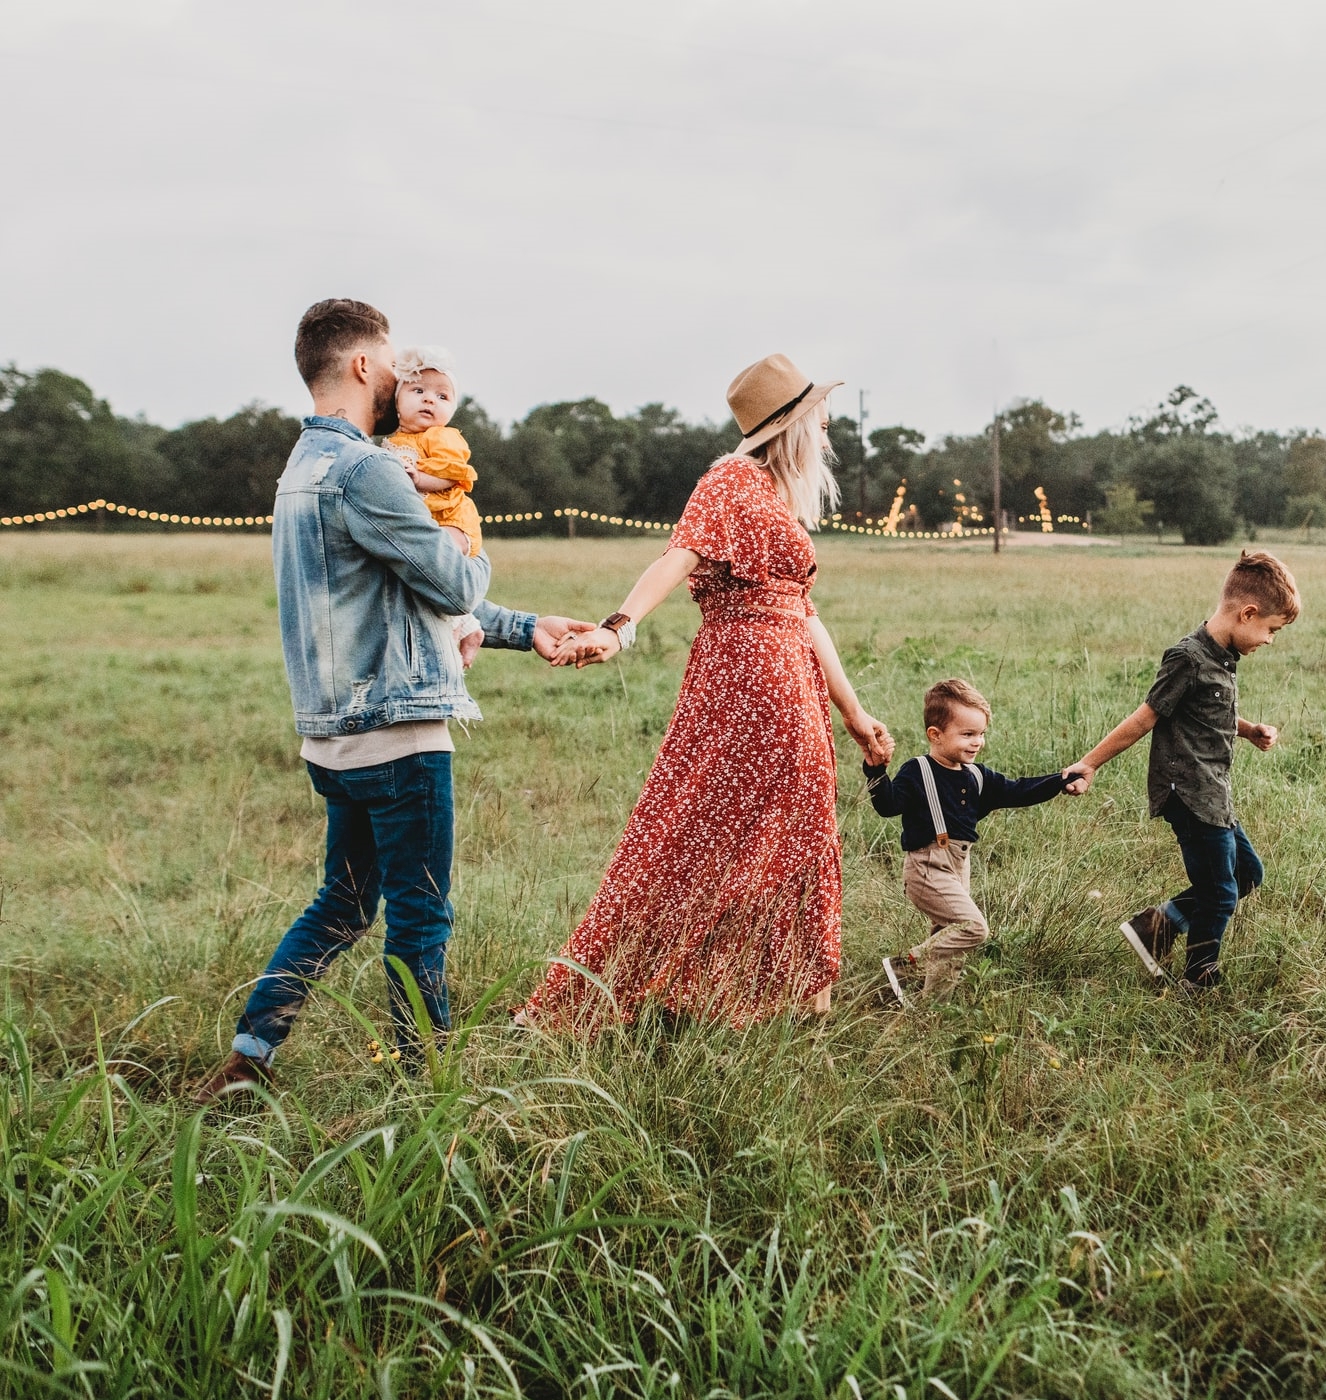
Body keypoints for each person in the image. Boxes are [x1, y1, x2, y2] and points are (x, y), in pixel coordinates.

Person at [192, 299, 595, 1102]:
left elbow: (399, 593)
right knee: (421, 916)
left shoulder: (301, 469)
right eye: (391, 363)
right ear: (362, 367)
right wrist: (467, 546)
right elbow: (448, 580)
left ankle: (249, 1057)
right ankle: (429, 1085)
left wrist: (523, 627)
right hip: (398, 733)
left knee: (342, 903)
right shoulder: (369, 469)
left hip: (333, 737)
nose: (402, 379)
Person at [515, 353, 892, 1029]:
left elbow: (804, 614)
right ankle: (659, 987)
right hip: (749, 677)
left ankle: (788, 995)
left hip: (788, 676)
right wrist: (619, 628)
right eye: (820, 417)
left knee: (796, 830)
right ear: (791, 425)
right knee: (698, 831)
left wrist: (856, 713)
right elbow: (677, 555)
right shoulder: (732, 480)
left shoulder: (777, 496)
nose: (829, 429)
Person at [1065, 551, 1300, 991]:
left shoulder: (1223, 657)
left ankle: (1156, 928)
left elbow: (1210, 714)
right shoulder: (1187, 658)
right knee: (1220, 892)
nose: (1270, 640)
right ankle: (1199, 977)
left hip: (1214, 792)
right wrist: (1089, 764)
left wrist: (1248, 730)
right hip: (1189, 793)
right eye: (1271, 629)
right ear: (1247, 613)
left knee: (1248, 874)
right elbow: (1145, 717)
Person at [865, 678, 1084, 1003]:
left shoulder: (977, 776)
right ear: (935, 735)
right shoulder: (918, 771)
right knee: (972, 928)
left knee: (949, 942)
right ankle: (905, 965)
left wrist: (1061, 780)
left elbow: (1019, 790)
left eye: (981, 733)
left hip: (958, 867)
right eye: (967, 734)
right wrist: (876, 771)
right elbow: (887, 806)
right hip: (926, 867)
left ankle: (931, 1011)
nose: (977, 742)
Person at [385, 346, 484, 664]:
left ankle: (461, 630)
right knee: (424, 574)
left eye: (443, 396)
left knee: (440, 567)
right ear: (397, 400)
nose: (430, 400)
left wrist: (419, 478)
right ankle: (469, 626)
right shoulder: (394, 441)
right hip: (428, 521)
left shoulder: (442, 437)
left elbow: (451, 474)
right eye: (418, 390)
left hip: (452, 519)